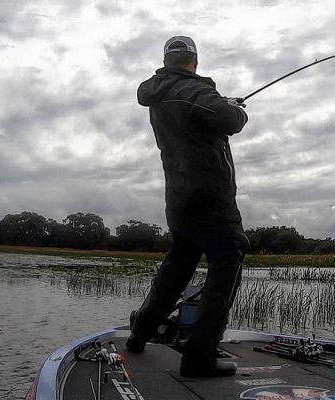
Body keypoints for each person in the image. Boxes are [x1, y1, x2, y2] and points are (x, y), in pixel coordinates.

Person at [126, 35, 250, 377]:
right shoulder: (194, 90)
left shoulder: (158, 93)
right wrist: (235, 107)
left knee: (178, 265)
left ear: (167, 61)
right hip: (209, 196)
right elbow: (231, 120)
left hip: (178, 199)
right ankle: (199, 358)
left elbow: (204, 114)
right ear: (193, 61)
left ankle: (139, 334)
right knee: (229, 257)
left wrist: (219, 102)